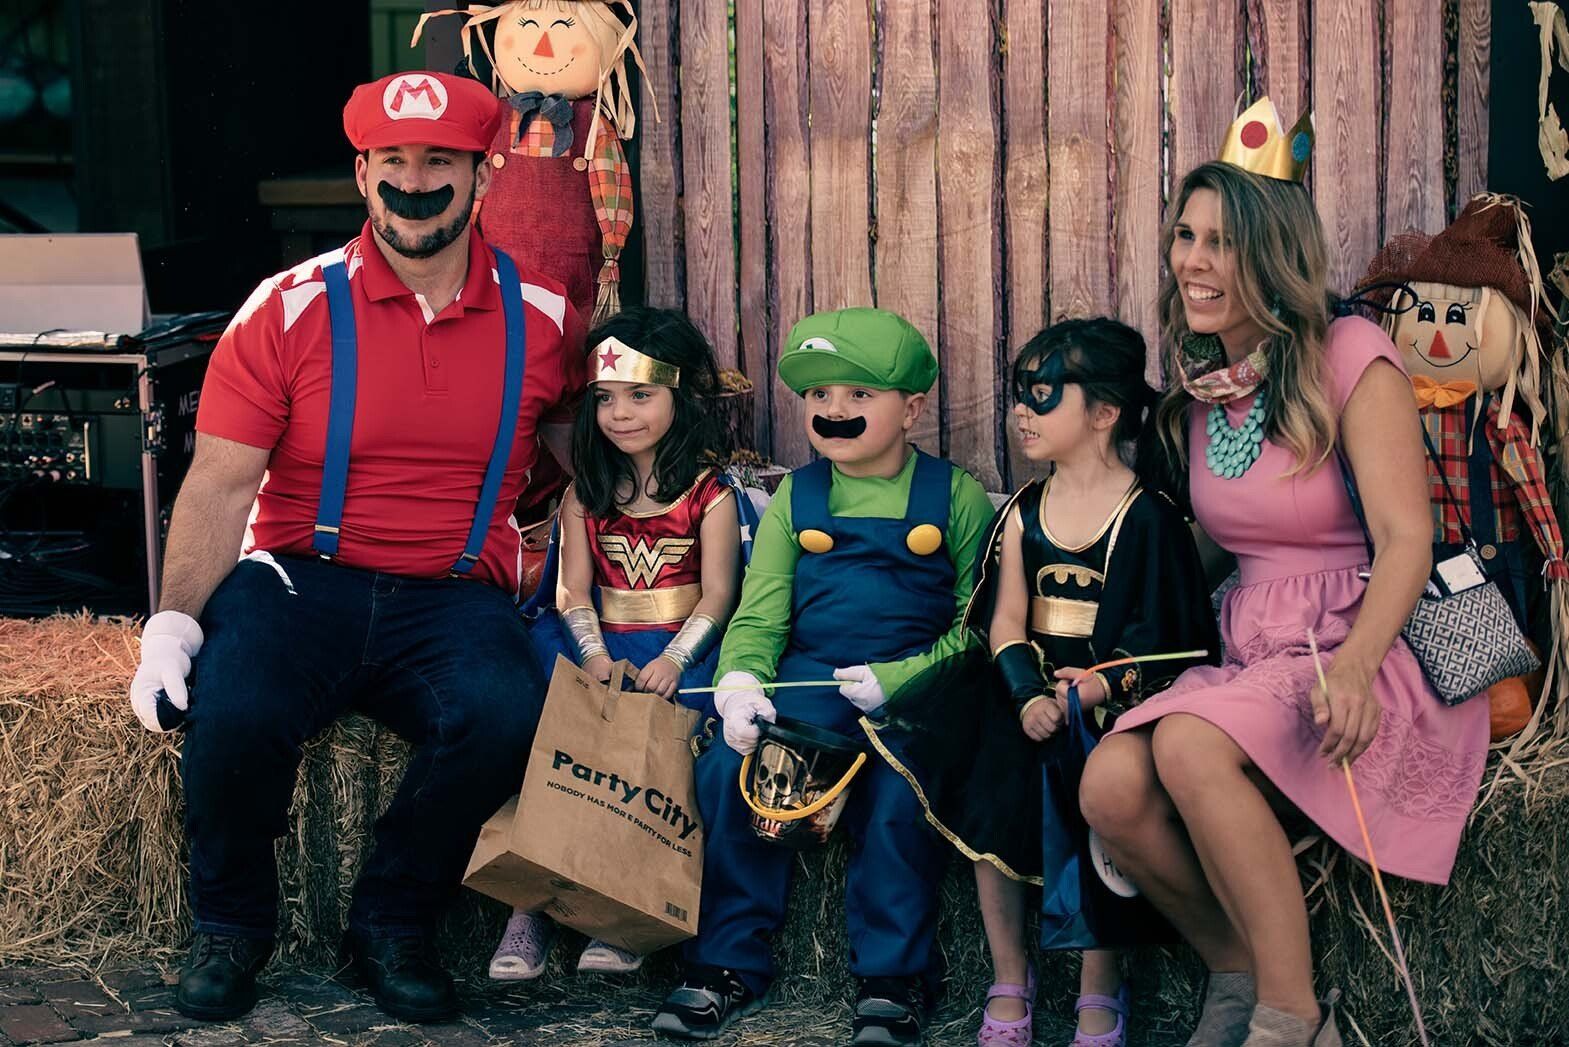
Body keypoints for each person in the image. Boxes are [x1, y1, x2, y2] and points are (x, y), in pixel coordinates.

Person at [126, 71, 587, 1024]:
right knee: (239, 703)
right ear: (362, 173)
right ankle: (231, 927)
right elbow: (218, 482)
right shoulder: (286, 306)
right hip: (301, 577)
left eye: (439, 162)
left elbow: (590, 464)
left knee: (506, 712)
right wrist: (171, 623)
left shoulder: (543, 319)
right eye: (393, 162)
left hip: (455, 590)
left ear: (483, 174)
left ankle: (392, 921)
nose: (414, 182)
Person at [1078, 99, 1488, 1047]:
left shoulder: (1351, 357)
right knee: (1108, 784)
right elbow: (1212, 552)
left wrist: (1350, 670)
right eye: (1184, 235)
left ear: (1271, 253)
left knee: (1183, 745)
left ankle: (1295, 1016)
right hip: (1252, 650)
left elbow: (1404, 542)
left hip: (1357, 643)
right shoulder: (1198, 397)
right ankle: (1234, 968)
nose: (1193, 261)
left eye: (1220, 242)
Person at [650, 308, 995, 1046]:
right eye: (818, 396)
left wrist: (901, 677)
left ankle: (893, 977)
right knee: (727, 772)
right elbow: (760, 610)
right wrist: (742, 682)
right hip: (810, 686)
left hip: (914, 696)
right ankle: (724, 963)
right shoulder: (793, 501)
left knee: (901, 796)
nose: (833, 411)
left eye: (857, 396)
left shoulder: (955, 496)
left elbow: (977, 624)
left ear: (911, 407)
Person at [871, 319, 1218, 1047]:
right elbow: (1002, 618)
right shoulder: (1024, 512)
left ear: (1102, 412)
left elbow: (1166, 639)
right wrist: (1027, 693)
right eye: (1018, 396)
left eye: (1041, 395)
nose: (1019, 411)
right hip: (1022, 695)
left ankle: (1100, 986)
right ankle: (1007, 973)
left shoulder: (1148, 517)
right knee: (989, 788)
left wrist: (1089, 691)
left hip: (1111, 702)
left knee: (1105, 814)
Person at [489, 306, 746, 979]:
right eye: (604, 398)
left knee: (663, 740)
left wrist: (674, 659)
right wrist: (594, 657)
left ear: (680, 395)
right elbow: (570, 590)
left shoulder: (708, 495)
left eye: (640, 394)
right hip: (596, 641)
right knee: (555, 723)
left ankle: (622, 906)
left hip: (678, 648)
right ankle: (531, 909)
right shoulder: (586, 494)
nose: (619, 414)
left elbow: (718, 594)